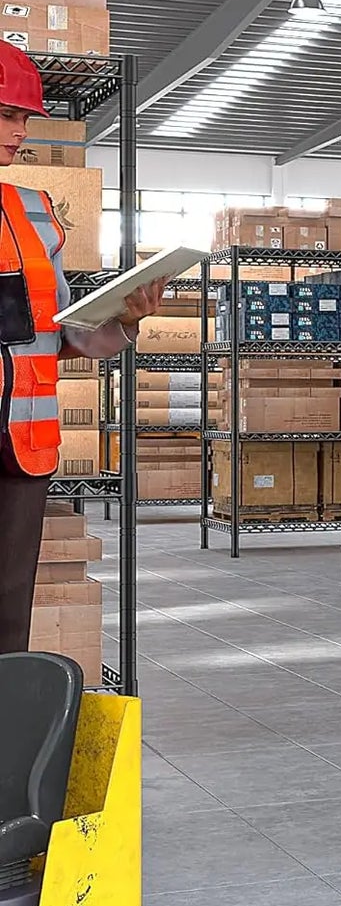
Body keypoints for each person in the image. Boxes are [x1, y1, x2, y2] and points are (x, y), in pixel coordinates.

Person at [0, 42, 167, 656]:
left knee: (8, 609)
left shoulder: (34, 213)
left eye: (24, 118)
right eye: (6, 115)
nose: (20, 133)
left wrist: (122, 320)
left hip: (21, 450)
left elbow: (61, 334)